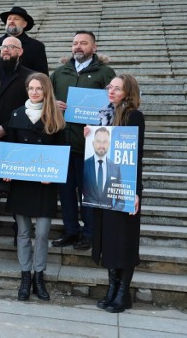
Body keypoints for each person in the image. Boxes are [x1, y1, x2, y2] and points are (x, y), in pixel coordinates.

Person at [3, 72, 66, 301]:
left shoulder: (55, 116)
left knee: (41, 233)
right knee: (23, 232)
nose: (35, 92)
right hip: (21, 183)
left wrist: (54, 174)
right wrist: (7, 170)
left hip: (44, 185)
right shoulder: (17, 114)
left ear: (46, 90)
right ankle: (25, 277)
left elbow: (61, 152)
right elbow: (9, 148)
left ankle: (39, 275)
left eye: (39, 88)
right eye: (31, 88)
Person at [51, 30, 116, 251]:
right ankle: (71, 231)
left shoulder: (105, 73)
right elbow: (46, 99)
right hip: (62, 142)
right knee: (66, 192)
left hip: (89, 145)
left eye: (84, 43)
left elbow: (113, 106)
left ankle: (89, 233)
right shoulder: (60, 73)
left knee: (87, 193)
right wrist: (54, 105)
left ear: (94, 47)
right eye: (75, 43)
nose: (78, 46)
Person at [90, 74, 145, 314]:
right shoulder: (104, 114)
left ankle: (123, 293)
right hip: (104, 186)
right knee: (110, 240)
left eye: (117, 89)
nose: (111, 92)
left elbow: (135, 156)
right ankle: (112, 289)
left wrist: (135, 191)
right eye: (109, 87)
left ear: (128, 92)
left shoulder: (133, 116)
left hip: (124, 185)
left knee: (124, 240)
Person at [0, 36, 33, 243]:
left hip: (16, 139)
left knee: (17, 186)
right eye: (4, 47)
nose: (6, 50)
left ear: (20, 52)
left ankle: (17, 228)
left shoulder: (29, 77)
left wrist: (6, 127)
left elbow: (29, 108)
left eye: (11, 47)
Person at [0, 7, 48, 75]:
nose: (11, 21)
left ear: (24, 24)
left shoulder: (36, 47)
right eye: (9, 19)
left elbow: (42, 76)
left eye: (16, 19)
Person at [83, 127, 124, 210]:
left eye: (104, 142)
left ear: (109, 144)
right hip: (89, 215)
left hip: (109, 217)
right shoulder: (84, 165)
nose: (101, 145)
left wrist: (112, 213)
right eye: (98, 141)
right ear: (93, 143)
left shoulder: (116, 168)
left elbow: (121, 200)